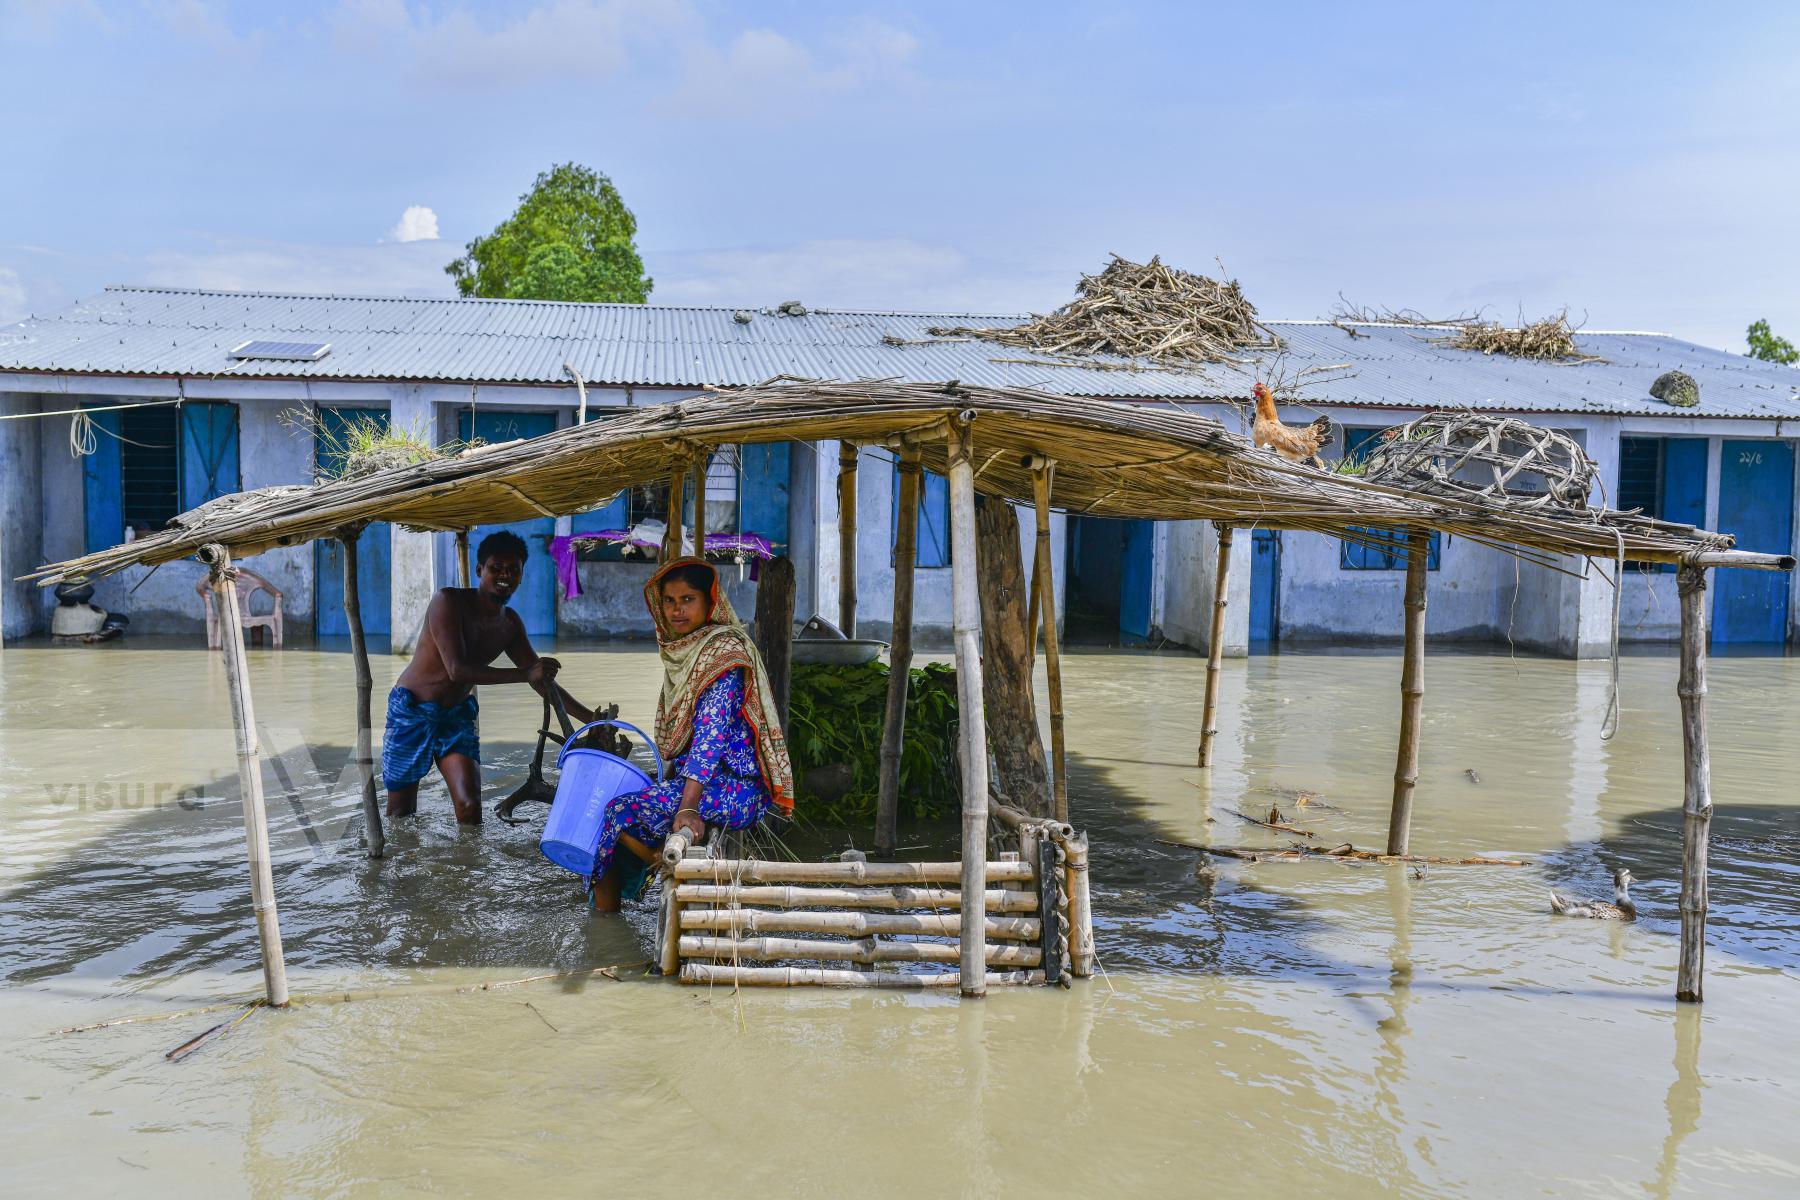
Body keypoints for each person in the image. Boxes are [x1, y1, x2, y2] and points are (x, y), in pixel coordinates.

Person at [587, 556, 795, 910]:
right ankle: (630, 890)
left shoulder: (723, 653)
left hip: (737, 790)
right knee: (614, 807)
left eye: (688, 599)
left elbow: (709, 741)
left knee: (615, 811)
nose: (676, 610)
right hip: (710, 784)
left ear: (709, 601)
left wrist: (689, 808)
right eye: (669, 600)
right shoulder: (687, 649)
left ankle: (611, 914)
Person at [383, 529, 595, 825]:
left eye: (513, 570)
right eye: (496, 568)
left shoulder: (509, 624)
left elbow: (541, 682)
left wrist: (592, 720)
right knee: (400, 815)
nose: (504, 575)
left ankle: (466, 867)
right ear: (480, 569)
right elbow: (457, 669)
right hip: (412, 711)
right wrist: (525, 673)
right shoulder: (448, 602)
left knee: (470, 808)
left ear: (521, 575)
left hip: (455, 716)